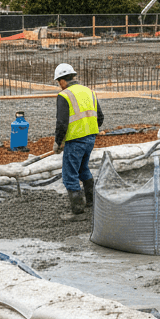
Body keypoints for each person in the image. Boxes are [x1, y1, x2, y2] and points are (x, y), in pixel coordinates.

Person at [52, 62, 103, 220]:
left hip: (75, 141)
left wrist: (58, 142)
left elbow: (62, 123)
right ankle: (91, 202)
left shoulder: (65, 95)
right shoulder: (89, 92)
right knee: (83, 169)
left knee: (69, 175)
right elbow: (100, 117)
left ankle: (78, 212)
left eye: (58, 82)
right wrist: (89, 129)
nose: (59, 85)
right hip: (90, 138)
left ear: (62, 80)